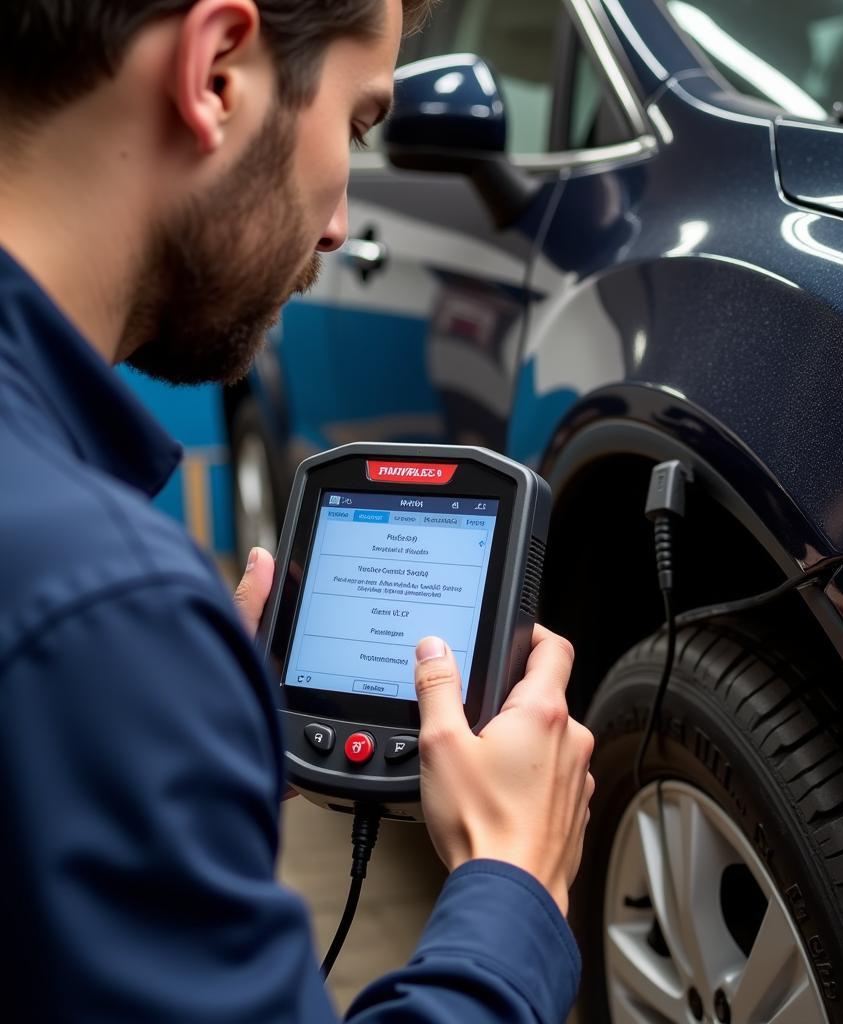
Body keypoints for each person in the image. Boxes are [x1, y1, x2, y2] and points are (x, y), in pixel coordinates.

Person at [0, 2, 595, 1021]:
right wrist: (513, 887)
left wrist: (160, 752)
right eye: (358, 126)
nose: (339, 226)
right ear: (217, 73)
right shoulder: (91, 607)